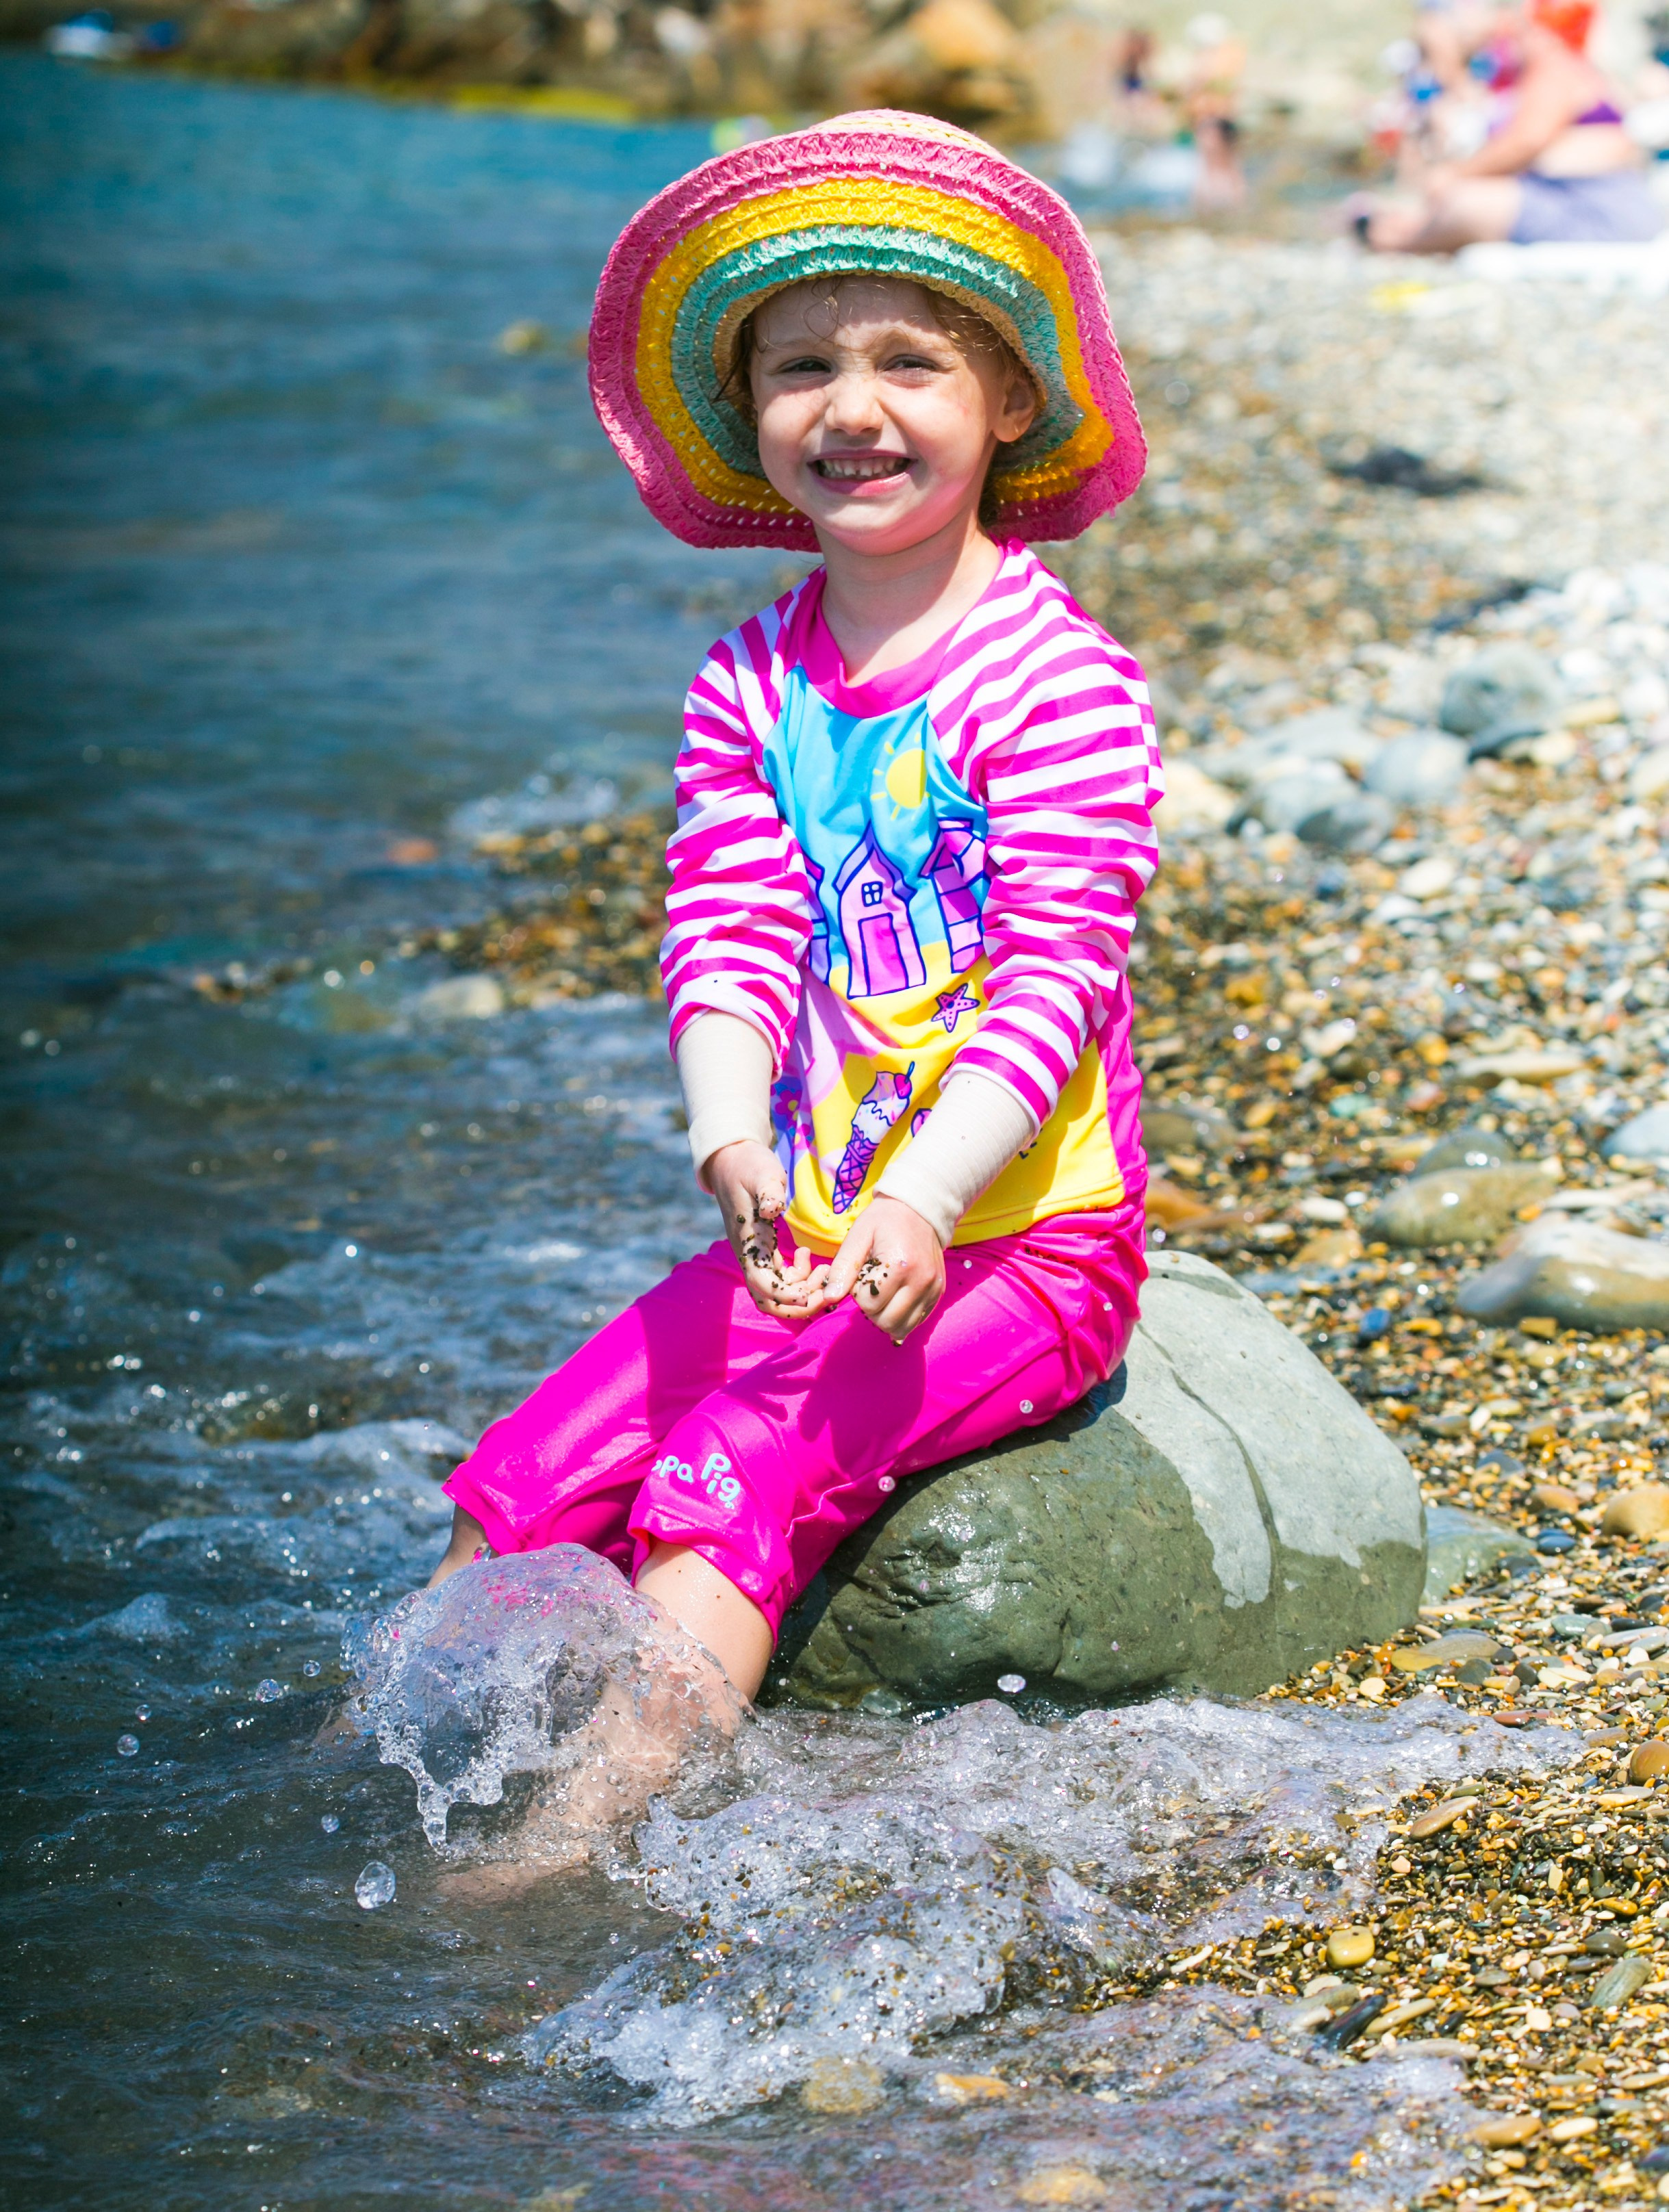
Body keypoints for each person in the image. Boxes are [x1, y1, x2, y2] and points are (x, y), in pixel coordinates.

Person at [427, 112, 1161, 1825]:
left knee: (728, 1469)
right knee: (520, 1478)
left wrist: (920, 1194)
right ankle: (356, 1781)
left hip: (1020, 1238)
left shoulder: (1058, 683)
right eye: (801, 366)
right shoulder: (748, 678)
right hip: (817, 1219)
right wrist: (730, 1137)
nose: (851, 406)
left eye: (910, 361)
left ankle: (556, 1855)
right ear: (751, 419)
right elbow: (730, 923)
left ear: (1012, 404)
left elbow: (1053, 976)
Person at [1362, 0, 1661, 251]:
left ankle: (1405, 243)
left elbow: (1526, 141)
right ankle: (1407, 232)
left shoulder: (1554, 69)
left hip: (1598, 209)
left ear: (1538, 31)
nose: (1513, 38)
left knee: (1466, 204)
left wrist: (1454, 174)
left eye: (1521, 28)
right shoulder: (1573, 67)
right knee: (1462, 199)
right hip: (1598, 201)